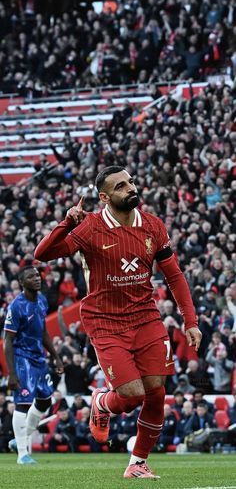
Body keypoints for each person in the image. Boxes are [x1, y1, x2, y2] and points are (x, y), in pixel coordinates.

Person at [35, 166, 202, 479]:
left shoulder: (153, 225)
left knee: (156, 392)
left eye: (131, 182)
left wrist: (189, 320)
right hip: (105, 320)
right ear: (104, 197)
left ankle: (137, 463)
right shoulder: (91, 227)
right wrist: (67, 222)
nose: (130, 188)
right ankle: (102, 402)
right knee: (132, 394)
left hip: (145, 316)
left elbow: (175, 276)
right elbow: (43, 254)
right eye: (121, 186)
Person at [4, 266, 63, 465]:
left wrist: (55, 356)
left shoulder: (42, 300)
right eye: (31, 276)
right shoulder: (16, 306)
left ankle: (18, 439)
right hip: (22, 359)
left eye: (37, 275)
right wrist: (11, 373)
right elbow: (8, 341)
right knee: (23, 403)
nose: (36, 278)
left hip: (39, 358)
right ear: (22, 282)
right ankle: (22, 454)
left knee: (46, 401)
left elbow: (43, 330)